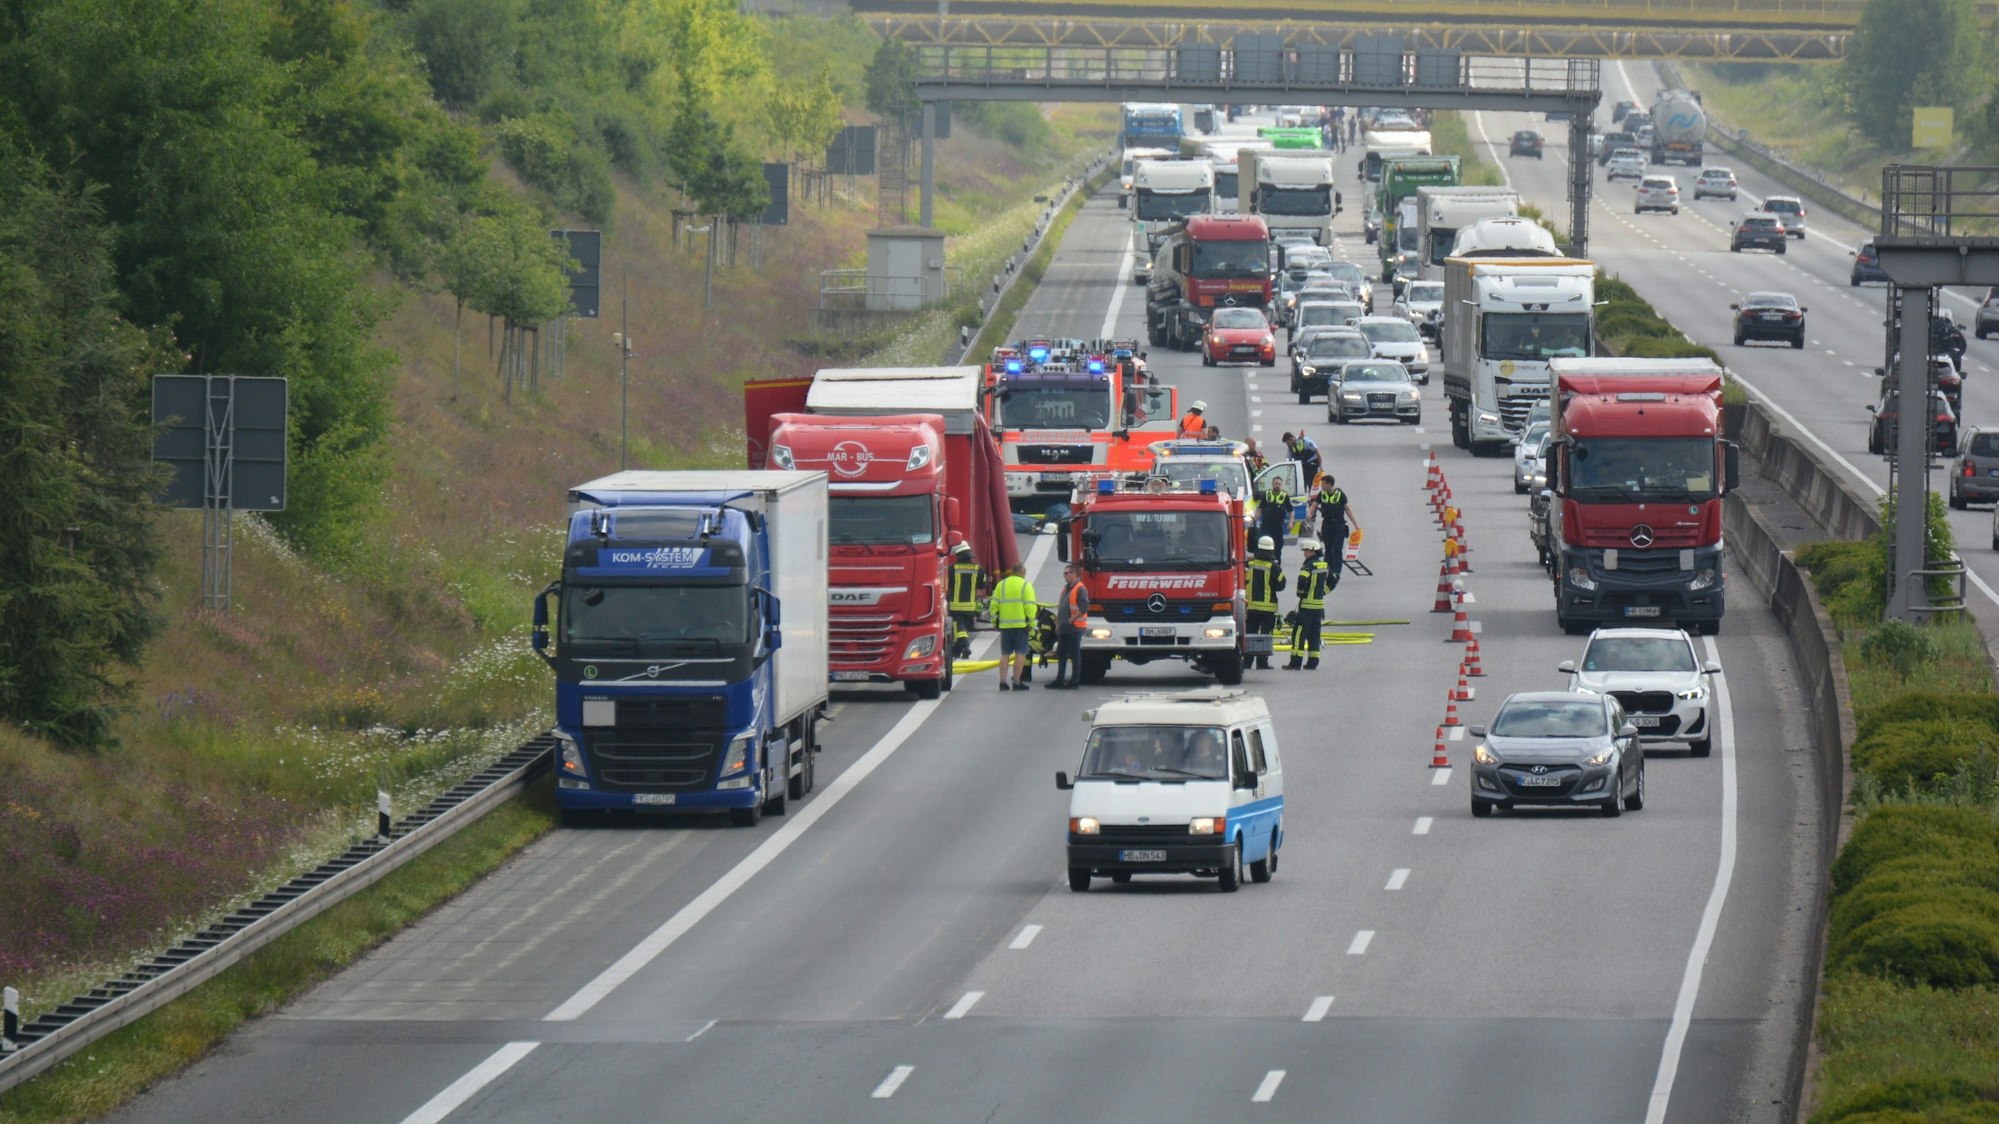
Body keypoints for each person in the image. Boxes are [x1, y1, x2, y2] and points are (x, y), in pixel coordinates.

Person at [991, 562, 1038, 691]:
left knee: (1005, 654)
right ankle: (1017, 681)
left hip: (1005, 626)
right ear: (1022, 572)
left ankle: (1002, 682)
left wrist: (995, 622)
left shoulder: (1002, 585)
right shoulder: (1026, 586)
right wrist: (1031, 624)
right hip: (1021, 626)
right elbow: (1030, 607)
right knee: (1020, 654)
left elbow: (993, 606)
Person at [1285, 538, 1331, 671]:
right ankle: (1312, 662)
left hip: (1306, 608)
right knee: (1314, 636)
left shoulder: (1307, 567)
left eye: (1306, 551)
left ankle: (1295, 662)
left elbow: (1302, 582)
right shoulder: (1324, 565)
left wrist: (1300, 593)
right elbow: (1333, 579)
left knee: (1299, 634)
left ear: (1312, 552)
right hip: (1318, 608)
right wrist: (1323, 592)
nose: (1304, 554)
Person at [1243, 535, 1285, 670]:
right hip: (1268, 609)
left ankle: (1247, 663)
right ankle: (1262, 663)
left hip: (1252, 607)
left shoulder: (1249, 564)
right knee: (1265, 635)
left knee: (1250, 634)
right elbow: (1281, 585)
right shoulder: (1274, 566)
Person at [1050, 563, 1090, 689]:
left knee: (1074, 654)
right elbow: (1061, 606)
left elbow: (1084, 607)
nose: (1065, 576)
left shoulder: (1080, 588)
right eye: (1064, 573)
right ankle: (1059, 680)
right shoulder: (1066, 588)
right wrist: (1058, 624)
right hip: (1064, 628)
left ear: (1074, 574)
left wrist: (1071, 619)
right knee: (1061, 654)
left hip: (1075, 628)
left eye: (1067, 573)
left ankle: (1074, 681)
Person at [1307, 474, 1359, 564]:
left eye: (1323, 484)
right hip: (1327, 524)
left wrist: (1356, 525)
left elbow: (1348, 510)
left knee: (1337, 549)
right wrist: (1309, 515)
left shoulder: (1340, 494)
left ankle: (1336, 573)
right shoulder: (1322, 494)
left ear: (1329, 484)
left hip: (1338, 525)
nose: (1321, 486)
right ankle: (1328, 571)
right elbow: (1314, 506)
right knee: (1328, 549)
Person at [947, 541, 984, 659]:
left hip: (956, 605)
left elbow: (948, 584)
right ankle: (958, 651)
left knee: (958, 627)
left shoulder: (952, 569)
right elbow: (982, 586)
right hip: (971, 606)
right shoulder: (978, 569)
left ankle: (966, 646)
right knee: (963, 628)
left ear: (957, 555)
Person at [1257, 474, 1291, 562]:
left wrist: (1291, 522)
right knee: (1263, 544)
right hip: (1266, 525)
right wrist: (1253, 520)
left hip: (1277, 526)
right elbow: (1260, 509)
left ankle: (1276, 566)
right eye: (1275, 483)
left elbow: (1291, 511)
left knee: (1277, 548)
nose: (1277, 485)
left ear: (1281, 485)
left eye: (1279, 484)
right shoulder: (1267, 494)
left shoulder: (1284, 496)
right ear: (1272, 484)